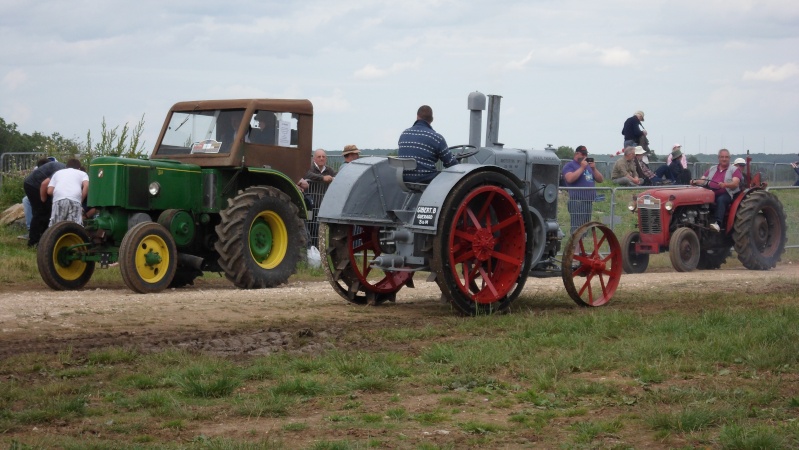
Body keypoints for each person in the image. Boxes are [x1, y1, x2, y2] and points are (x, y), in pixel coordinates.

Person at [397, 105, 457, 183]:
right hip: (426, 179)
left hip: (403, 179)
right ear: (432, 119)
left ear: (417, 116)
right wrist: (457, 162)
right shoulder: (436, 138)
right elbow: (450, 163)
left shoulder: (404, 134)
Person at [691, 148, 742, 232]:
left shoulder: (734, 170)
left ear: (729, 158)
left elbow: (735, 183)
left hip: (728, 194)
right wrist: (695, 181)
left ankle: (718, 223)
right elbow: (703, 180)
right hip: (711, 193)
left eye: (726, 157)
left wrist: (725, 185)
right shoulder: (712, 169)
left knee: (721, 199)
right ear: (718, 158)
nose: (724, 159)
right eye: (722, 157)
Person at [561, 145, 604, 234]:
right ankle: (575, 247)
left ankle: (580, 248)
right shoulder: (570, 166)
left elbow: (600, 179)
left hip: (588, 201)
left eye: (586, 154)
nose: (585, 157)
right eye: (583, 154)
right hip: (577, 201)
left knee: (584, 229)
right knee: (577, 230)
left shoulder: (588, 166)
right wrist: (582, 168)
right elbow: (569, 178)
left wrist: (594, 168)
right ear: (576, 154)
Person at [23, 158, 66, 246]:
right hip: (34, 185)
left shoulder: (62, 168)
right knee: (40, 213)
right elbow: (44, 184)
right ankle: (33, 241)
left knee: (45, 212)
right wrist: (43, 199)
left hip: (33, 184)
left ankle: (43, 239)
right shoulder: (61, 171)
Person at [47, 158, 89, 226]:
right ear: (79, 168)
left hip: (59, 199)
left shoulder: (57, 173)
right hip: (75, 199)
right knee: (74, 226)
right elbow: (86, 186)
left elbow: (49, 191)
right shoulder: (82, 173)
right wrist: (81, 200)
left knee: (56, 227)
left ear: (66, 167)